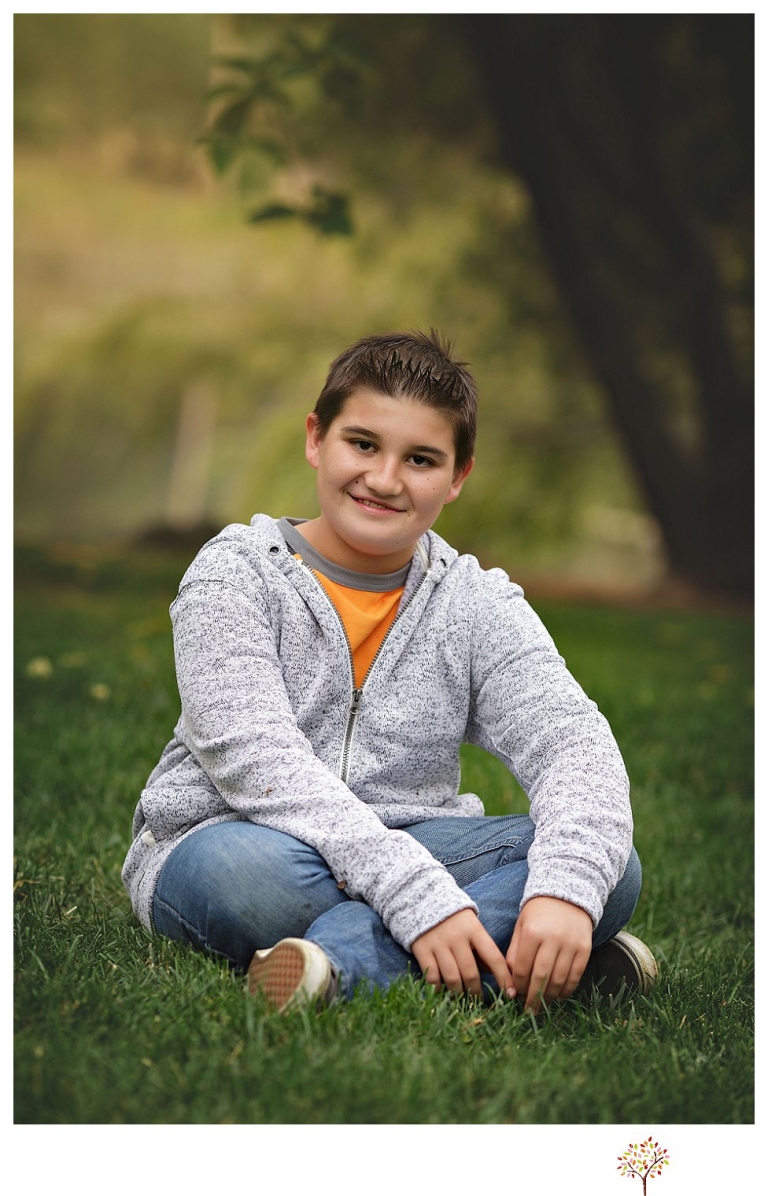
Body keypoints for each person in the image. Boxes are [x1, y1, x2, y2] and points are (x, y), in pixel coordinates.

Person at [122, 329, 657, 1015]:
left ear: (458, 475)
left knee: (604, 867)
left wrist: (563, 892)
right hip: (238, 837)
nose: (383, 479)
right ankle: (536, 961)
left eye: (422, 458)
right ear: (317, 438)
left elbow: (572, 744)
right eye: (363, 444)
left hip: (416, 836)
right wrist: (416, 894)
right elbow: (255, 760)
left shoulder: (476, 603)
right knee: (249, 877)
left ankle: (333, 966)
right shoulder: (235, 572)